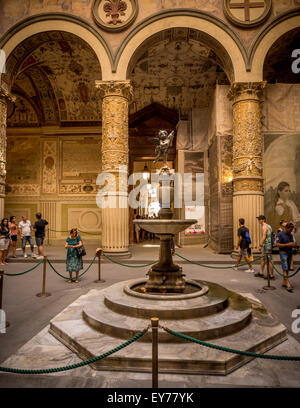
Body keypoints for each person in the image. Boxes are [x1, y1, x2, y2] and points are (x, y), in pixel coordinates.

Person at [276, 222, 296, 292]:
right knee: (285, 267)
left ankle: (285, 281)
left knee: (287, 268)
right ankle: (287, 283)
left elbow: (292, 242)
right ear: (286, 228)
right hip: (283, 252)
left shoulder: (290, 235)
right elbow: (278, 244)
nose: (291, 231)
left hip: (289, 252)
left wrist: (293, 245)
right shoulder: (280, 234)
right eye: (290, 229)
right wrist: (287, 244)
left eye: (292, 229)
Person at [256, 215, 274, 279]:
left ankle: (271, 275)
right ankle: (261, 272)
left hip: (267, 245)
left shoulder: (265, 226)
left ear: (263, 220)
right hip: (266, 245)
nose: (258, 221)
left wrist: (260, 245)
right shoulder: (268, 226)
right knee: (263, 258)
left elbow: (264, 236)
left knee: (269, 260)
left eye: (259, 219)